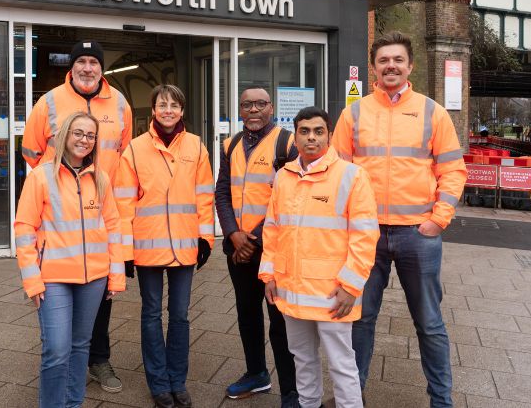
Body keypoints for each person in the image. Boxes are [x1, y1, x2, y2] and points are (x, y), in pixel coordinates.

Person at [332, 32, 467, 407]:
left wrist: (439, 220)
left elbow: (453, 169)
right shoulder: (354, 112)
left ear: (410, 66)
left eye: (398, 60)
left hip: (417, 235)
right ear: (373, 68)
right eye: (383, 60)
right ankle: (350, 397)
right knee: (360, 320)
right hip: (366, 236)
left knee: (430, 324)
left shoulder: (432, 111)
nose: (390, 66)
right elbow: (338, 172)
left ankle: (441, 401)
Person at [22, 39, 132, 393]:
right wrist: (56, 186)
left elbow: (123, 152)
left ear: (102, 68)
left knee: (97, 306)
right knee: (57, 340)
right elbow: (30, 149)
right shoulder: (50, 101)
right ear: (73, 66)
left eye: (94, 62)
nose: (88, 68)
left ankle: (99, 361)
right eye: (81, 61)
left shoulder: (119, 103)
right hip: (61, 219)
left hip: (101, 212)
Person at [260, 106, 379, 408]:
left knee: (341, 365)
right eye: (304, 131)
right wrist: (268, 274)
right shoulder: (283, 177)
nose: (311, 138)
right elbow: (272, 229)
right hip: (291, 290)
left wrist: (351, 286)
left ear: (329, 135)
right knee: (303, 361)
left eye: (318, 131)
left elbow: (365, 237)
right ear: (295, 136)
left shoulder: (352, 176)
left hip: (332, 293)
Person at [14, 112, 125, 407]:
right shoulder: (40, 176)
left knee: (80, 347)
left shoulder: (100, 178)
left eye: (90, 136)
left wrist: (116, 276)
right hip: (53, 278)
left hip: (94, 279)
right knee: (57, 350)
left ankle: (73, 403)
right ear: (64, 135)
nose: (84, 140)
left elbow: (113, 228)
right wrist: (32, 280)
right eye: (78, 133)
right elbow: (24, 229)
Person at [115, 84, 214, 408]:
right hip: (147, 247)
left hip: (185, 246)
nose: (168, 110)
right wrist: (126, 252)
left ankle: (177, 381)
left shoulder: (197, 147)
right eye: (162, 104)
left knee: (181, 317)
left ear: (182, 110)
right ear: (153, 110)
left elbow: (203, 196)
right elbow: (124, 203)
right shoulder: (135, 149)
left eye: (174, 104)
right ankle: (158, 384)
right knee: (151, 315)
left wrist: (206, 237)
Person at [214, 87, 299, 407]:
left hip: (273, 249)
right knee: (247, 314)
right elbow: (222, 192)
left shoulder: (287, 143)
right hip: (238, 249)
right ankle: (257, 374)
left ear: (271, 107)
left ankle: (291, 390)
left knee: (280, 321)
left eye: (260, 104)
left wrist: (254, 238)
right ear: (239, 108)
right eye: (247, 104)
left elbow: (290, 199)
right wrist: (234, 234)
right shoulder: (230, 144)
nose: (253, 109)